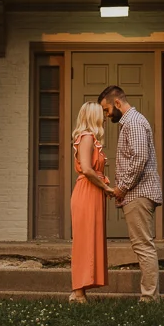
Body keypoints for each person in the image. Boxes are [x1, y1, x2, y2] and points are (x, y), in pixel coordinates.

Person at [99, 85, 163, 302]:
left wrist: (122, 187)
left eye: (107, 110)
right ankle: (150, 296)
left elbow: (139, 158)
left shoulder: (133, 122)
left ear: (117, 103)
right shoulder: (131, 122)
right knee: (142, 245)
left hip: (139, 193)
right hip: (137, 192)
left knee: (143, 245)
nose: (107, 115)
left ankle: (149, 298)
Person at [68, 101, 114, 304]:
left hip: (93, 192)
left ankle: (81, 290)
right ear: (94, 116)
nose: (105, 117)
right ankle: (78, 293)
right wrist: (105, 187)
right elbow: (87, 169)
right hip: (87, 192)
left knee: (91, 240)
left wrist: (103, 184)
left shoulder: (91, 138)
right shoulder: (86, 137)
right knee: (84, 241)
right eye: (101, 114)